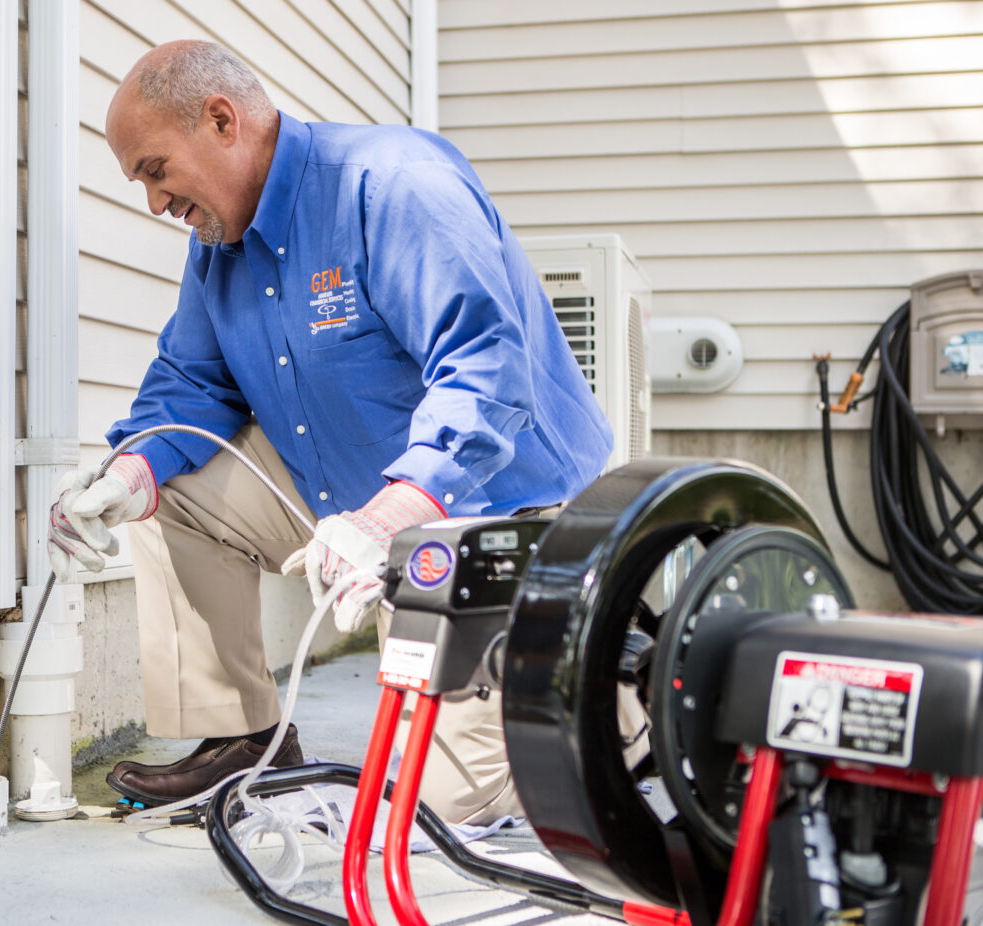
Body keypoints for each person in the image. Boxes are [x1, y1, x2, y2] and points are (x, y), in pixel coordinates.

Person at [46, 40, 613, 825]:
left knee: (447, 806)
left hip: (497, 507)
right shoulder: (217, 247)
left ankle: (619, 696)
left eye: (154, 170)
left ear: (221, 121)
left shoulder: (391, 186)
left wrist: (385, 521)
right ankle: (244, 743)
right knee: (166, 489)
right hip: (351, 509)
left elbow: (486, 373)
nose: (155, 202)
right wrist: (127, 475)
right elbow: (191, 385)